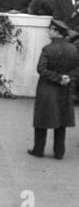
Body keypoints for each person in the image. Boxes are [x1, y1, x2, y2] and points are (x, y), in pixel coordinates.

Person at [30, 17, 79, 159]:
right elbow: (77, 67)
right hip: (64, 89)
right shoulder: (73, 49)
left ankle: (38, 150)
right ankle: (59, 152)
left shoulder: (47, 49)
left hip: (47, 89)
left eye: (51, 30)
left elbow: (41, 69)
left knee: (41, 120)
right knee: (61, 120)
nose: (49, 31)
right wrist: (68, 77)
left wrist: (57, 78)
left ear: (57, 33)